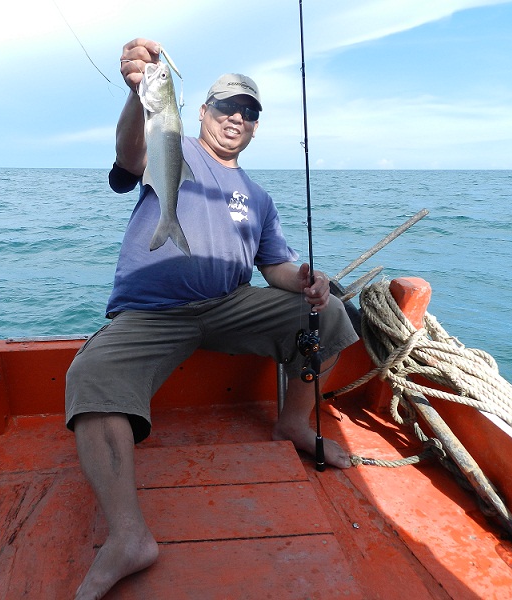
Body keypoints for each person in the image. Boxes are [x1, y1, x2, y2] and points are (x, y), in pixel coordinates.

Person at [65, 38, 359, 600]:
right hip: (152, 313)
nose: (237, 119)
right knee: (91, 376)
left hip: (229, 305)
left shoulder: (259, 196)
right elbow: (130, 157)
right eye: (227, 107)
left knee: (326, 314)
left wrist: (307, 280)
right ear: (201, 112)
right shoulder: (173, 143)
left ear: (254, 128)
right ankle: (128, 538)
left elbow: (275, 267)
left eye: (249, 113)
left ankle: (294, 423)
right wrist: (138, 93)